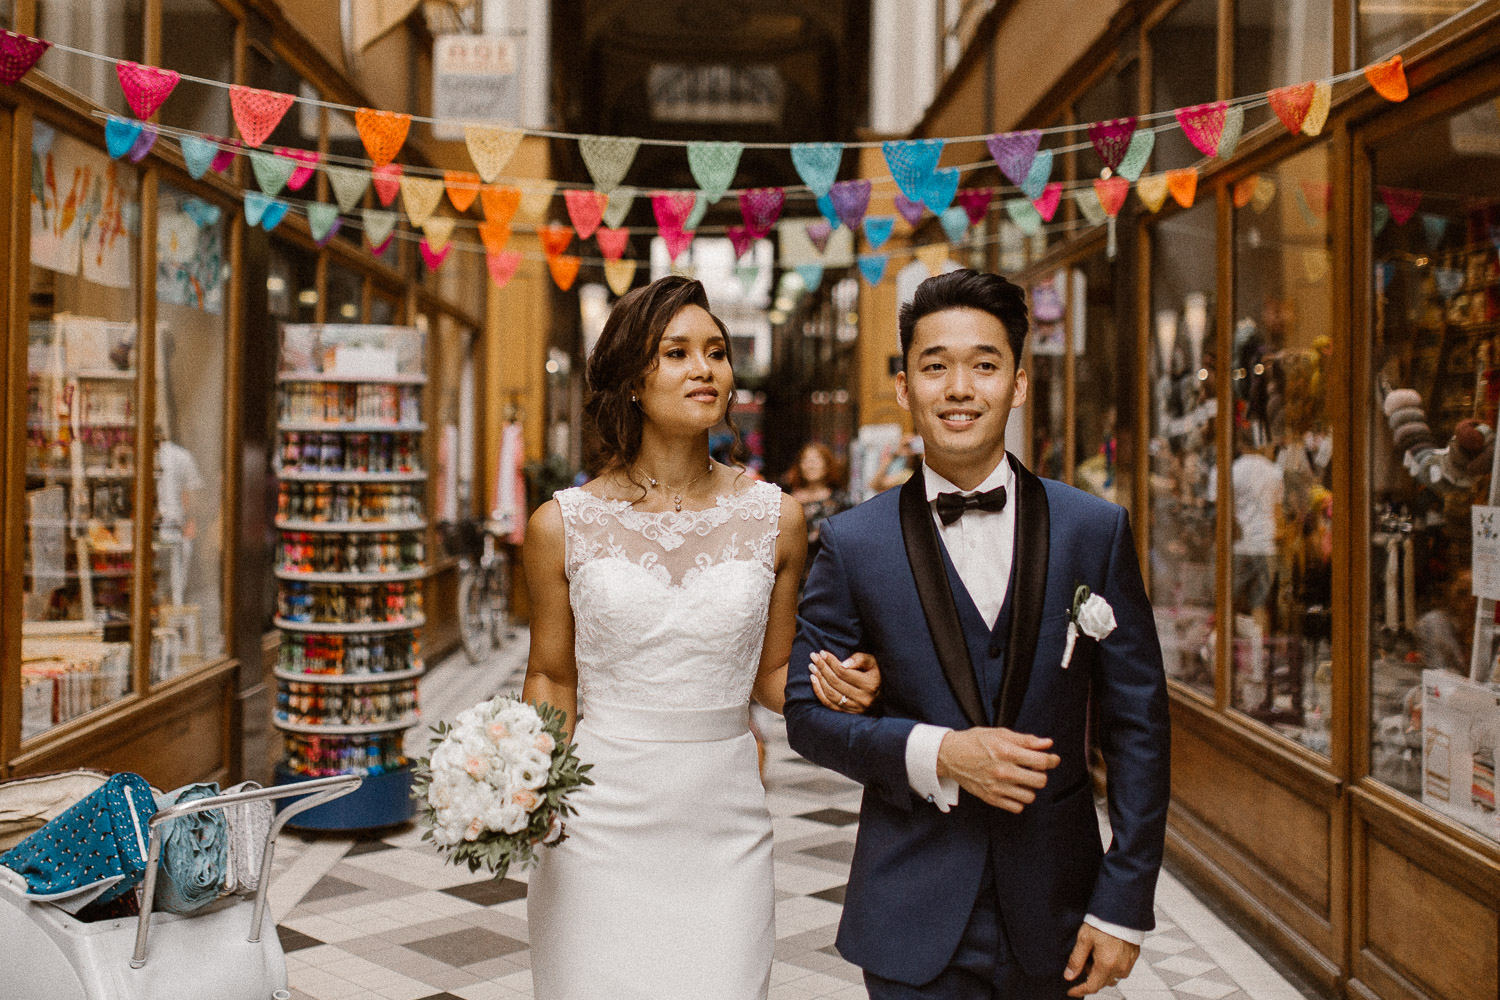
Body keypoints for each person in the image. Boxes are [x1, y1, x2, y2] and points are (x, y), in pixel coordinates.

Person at [784, 269, 1171, 999]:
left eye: (985, 366)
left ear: (1018, 384)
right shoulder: (851, 543)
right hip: (909, 913)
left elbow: (1139, 728)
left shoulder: (1095, 530)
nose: (960, 388)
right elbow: (805, 718)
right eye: (936, 367)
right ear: (905, 387)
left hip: (1057, 913)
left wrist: (1124, 904)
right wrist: (940, 754)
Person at [521, 275, 881, 1000]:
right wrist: (520, 788)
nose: (705, 369)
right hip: (596, 820)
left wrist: (844, 686)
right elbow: (553, 677)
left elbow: (773, 673)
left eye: (715, 351)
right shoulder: (561, 525)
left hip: (724, 819)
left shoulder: (776, 518)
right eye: (677, 352)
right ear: (630, 378)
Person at [783, 441, 849, 563]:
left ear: (827, 465)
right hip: (796, 567)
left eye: (816, 459)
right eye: (806, 460)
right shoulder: (788, 500)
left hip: (829, 566)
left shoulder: (840, 500)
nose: (810, 465)